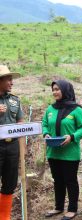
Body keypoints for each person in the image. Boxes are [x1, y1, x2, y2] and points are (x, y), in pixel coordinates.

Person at [42, 80, 82, 220]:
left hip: (70, 153)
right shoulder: (50, 109)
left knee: (70, 180)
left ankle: (72, 209)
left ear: (65, 90)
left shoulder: (76, 110)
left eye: (58, 89)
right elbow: (44, 125)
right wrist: (46, 134)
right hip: (53, 152)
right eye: (53, 89)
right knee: (57, 180)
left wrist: (72, 137)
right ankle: (58, 207)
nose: (55, 92)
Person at [0, 65, 24, 220]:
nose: (11, 82)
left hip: (12, 146)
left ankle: (4, 217)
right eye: (9, 79)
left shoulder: (15, 100)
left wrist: (22, 149)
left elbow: (21, 121)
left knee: (10, 183)